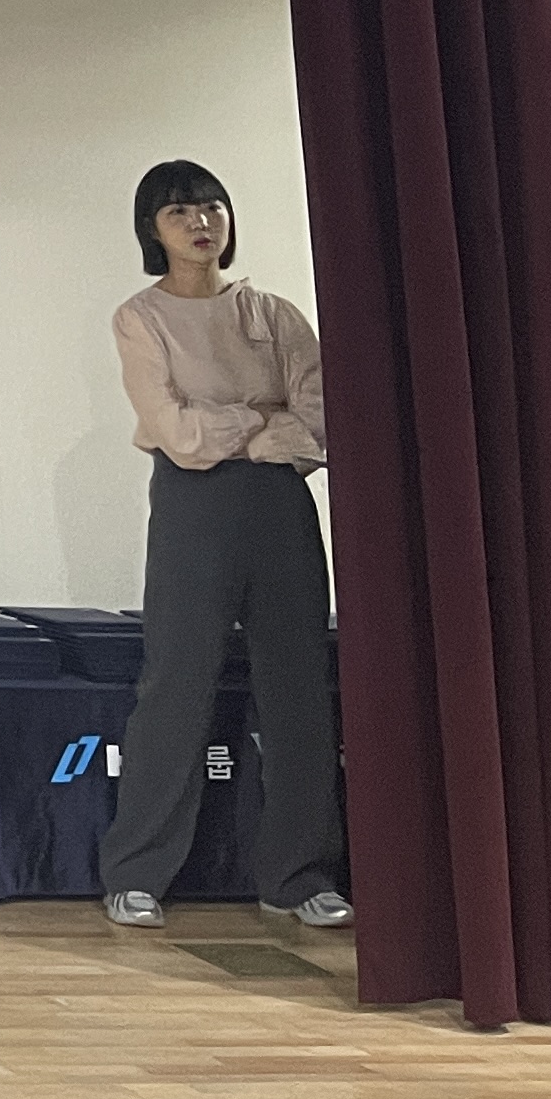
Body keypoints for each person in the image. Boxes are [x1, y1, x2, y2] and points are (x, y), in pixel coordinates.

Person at [98, 159, 349, 931]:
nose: (200, 223)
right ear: (152, 228)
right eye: (179, 212)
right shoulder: (141, 318)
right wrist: (259, 421)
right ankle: (136, 874)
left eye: (211, 207)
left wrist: (235, 427)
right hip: (192, 505)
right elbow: (176, 434)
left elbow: (319, 421)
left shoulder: (274, 314)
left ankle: (300, 876)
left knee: (299, 687)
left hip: (280, 506)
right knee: (176, 682)